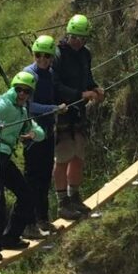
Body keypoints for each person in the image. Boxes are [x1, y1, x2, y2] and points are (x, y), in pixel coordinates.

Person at [0, 72, 45, 260]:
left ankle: (11, 237)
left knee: (26, 195)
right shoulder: (6, 102)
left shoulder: (23, 113)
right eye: (19, 90)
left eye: (27, 92)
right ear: (13, 89)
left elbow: (40, 133)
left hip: (4, 158)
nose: (22, 94)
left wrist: (32, 134)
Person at [52, 14, 105, 218]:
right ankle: (62, 202)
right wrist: (79, 95)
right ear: (68, 34)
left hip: (79, 111)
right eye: (74, 38)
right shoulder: (58, 55)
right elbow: (55, 86)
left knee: (78, 155)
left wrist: (96, 89)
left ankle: (75, 197)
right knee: (63, 156)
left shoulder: (85, 54)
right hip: (63, 110)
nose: (78, 42)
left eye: (82, 39)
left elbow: (87, 78)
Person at [22, 35, 67, 236]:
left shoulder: (50, 74)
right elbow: (28, 105)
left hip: (48, 131)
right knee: (33, 178)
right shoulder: (28, 75)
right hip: (32, 133)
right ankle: (28, 223)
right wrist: (53, 108)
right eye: (38, 55)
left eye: (47, 56)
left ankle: (43, 219)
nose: (42, 60)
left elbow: (54, 94)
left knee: (44, 177)